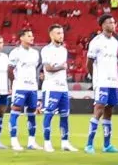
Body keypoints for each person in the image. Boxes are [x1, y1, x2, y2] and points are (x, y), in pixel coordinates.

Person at [85, 14, 118, 154]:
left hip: (113, 81)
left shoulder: (115, 42)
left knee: (109, 111)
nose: (113, 24)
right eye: (109, 22)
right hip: (101, 80)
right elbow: (89, 62)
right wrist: (95, 77)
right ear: (102, 25)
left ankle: (107, 145)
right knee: (99, 108)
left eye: (114, 22)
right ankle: (89, 144)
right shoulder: (96, 41)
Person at [40, 24, 77, 152]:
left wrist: (61, 67)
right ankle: (47, 142)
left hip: (63, 88)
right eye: (58, 33)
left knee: (65, 115)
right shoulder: (46, 50)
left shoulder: (64, 50)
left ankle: (65, 142)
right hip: (51, 87)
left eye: (62, 33)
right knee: (48, 114)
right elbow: (48, 68)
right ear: (51, 35)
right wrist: (62, 67)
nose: (61, 35)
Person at [8, 29, 41, 151]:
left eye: (32, 35)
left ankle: (31, 141)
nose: (32, 37)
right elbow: (10, 70)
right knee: (16, 110)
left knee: (32, 112)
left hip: (32, 87)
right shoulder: (15, 53)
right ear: (21, 38)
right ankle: (14, 140)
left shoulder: (35, 53)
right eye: (29, 36)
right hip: (20, 86)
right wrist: (14, 84)